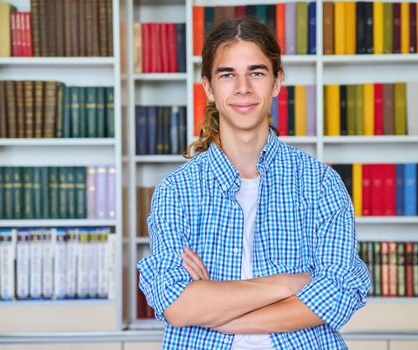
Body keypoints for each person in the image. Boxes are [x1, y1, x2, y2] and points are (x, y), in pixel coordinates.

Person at [137, 17, 370, 349]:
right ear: (208, 87)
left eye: (256, 73)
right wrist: (289, 284)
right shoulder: (176, 192)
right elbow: (175, 304)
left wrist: (218, 312)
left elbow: (338, 294)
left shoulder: (320, 184)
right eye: (228, 74)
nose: (243, 87)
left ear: (277, 82)